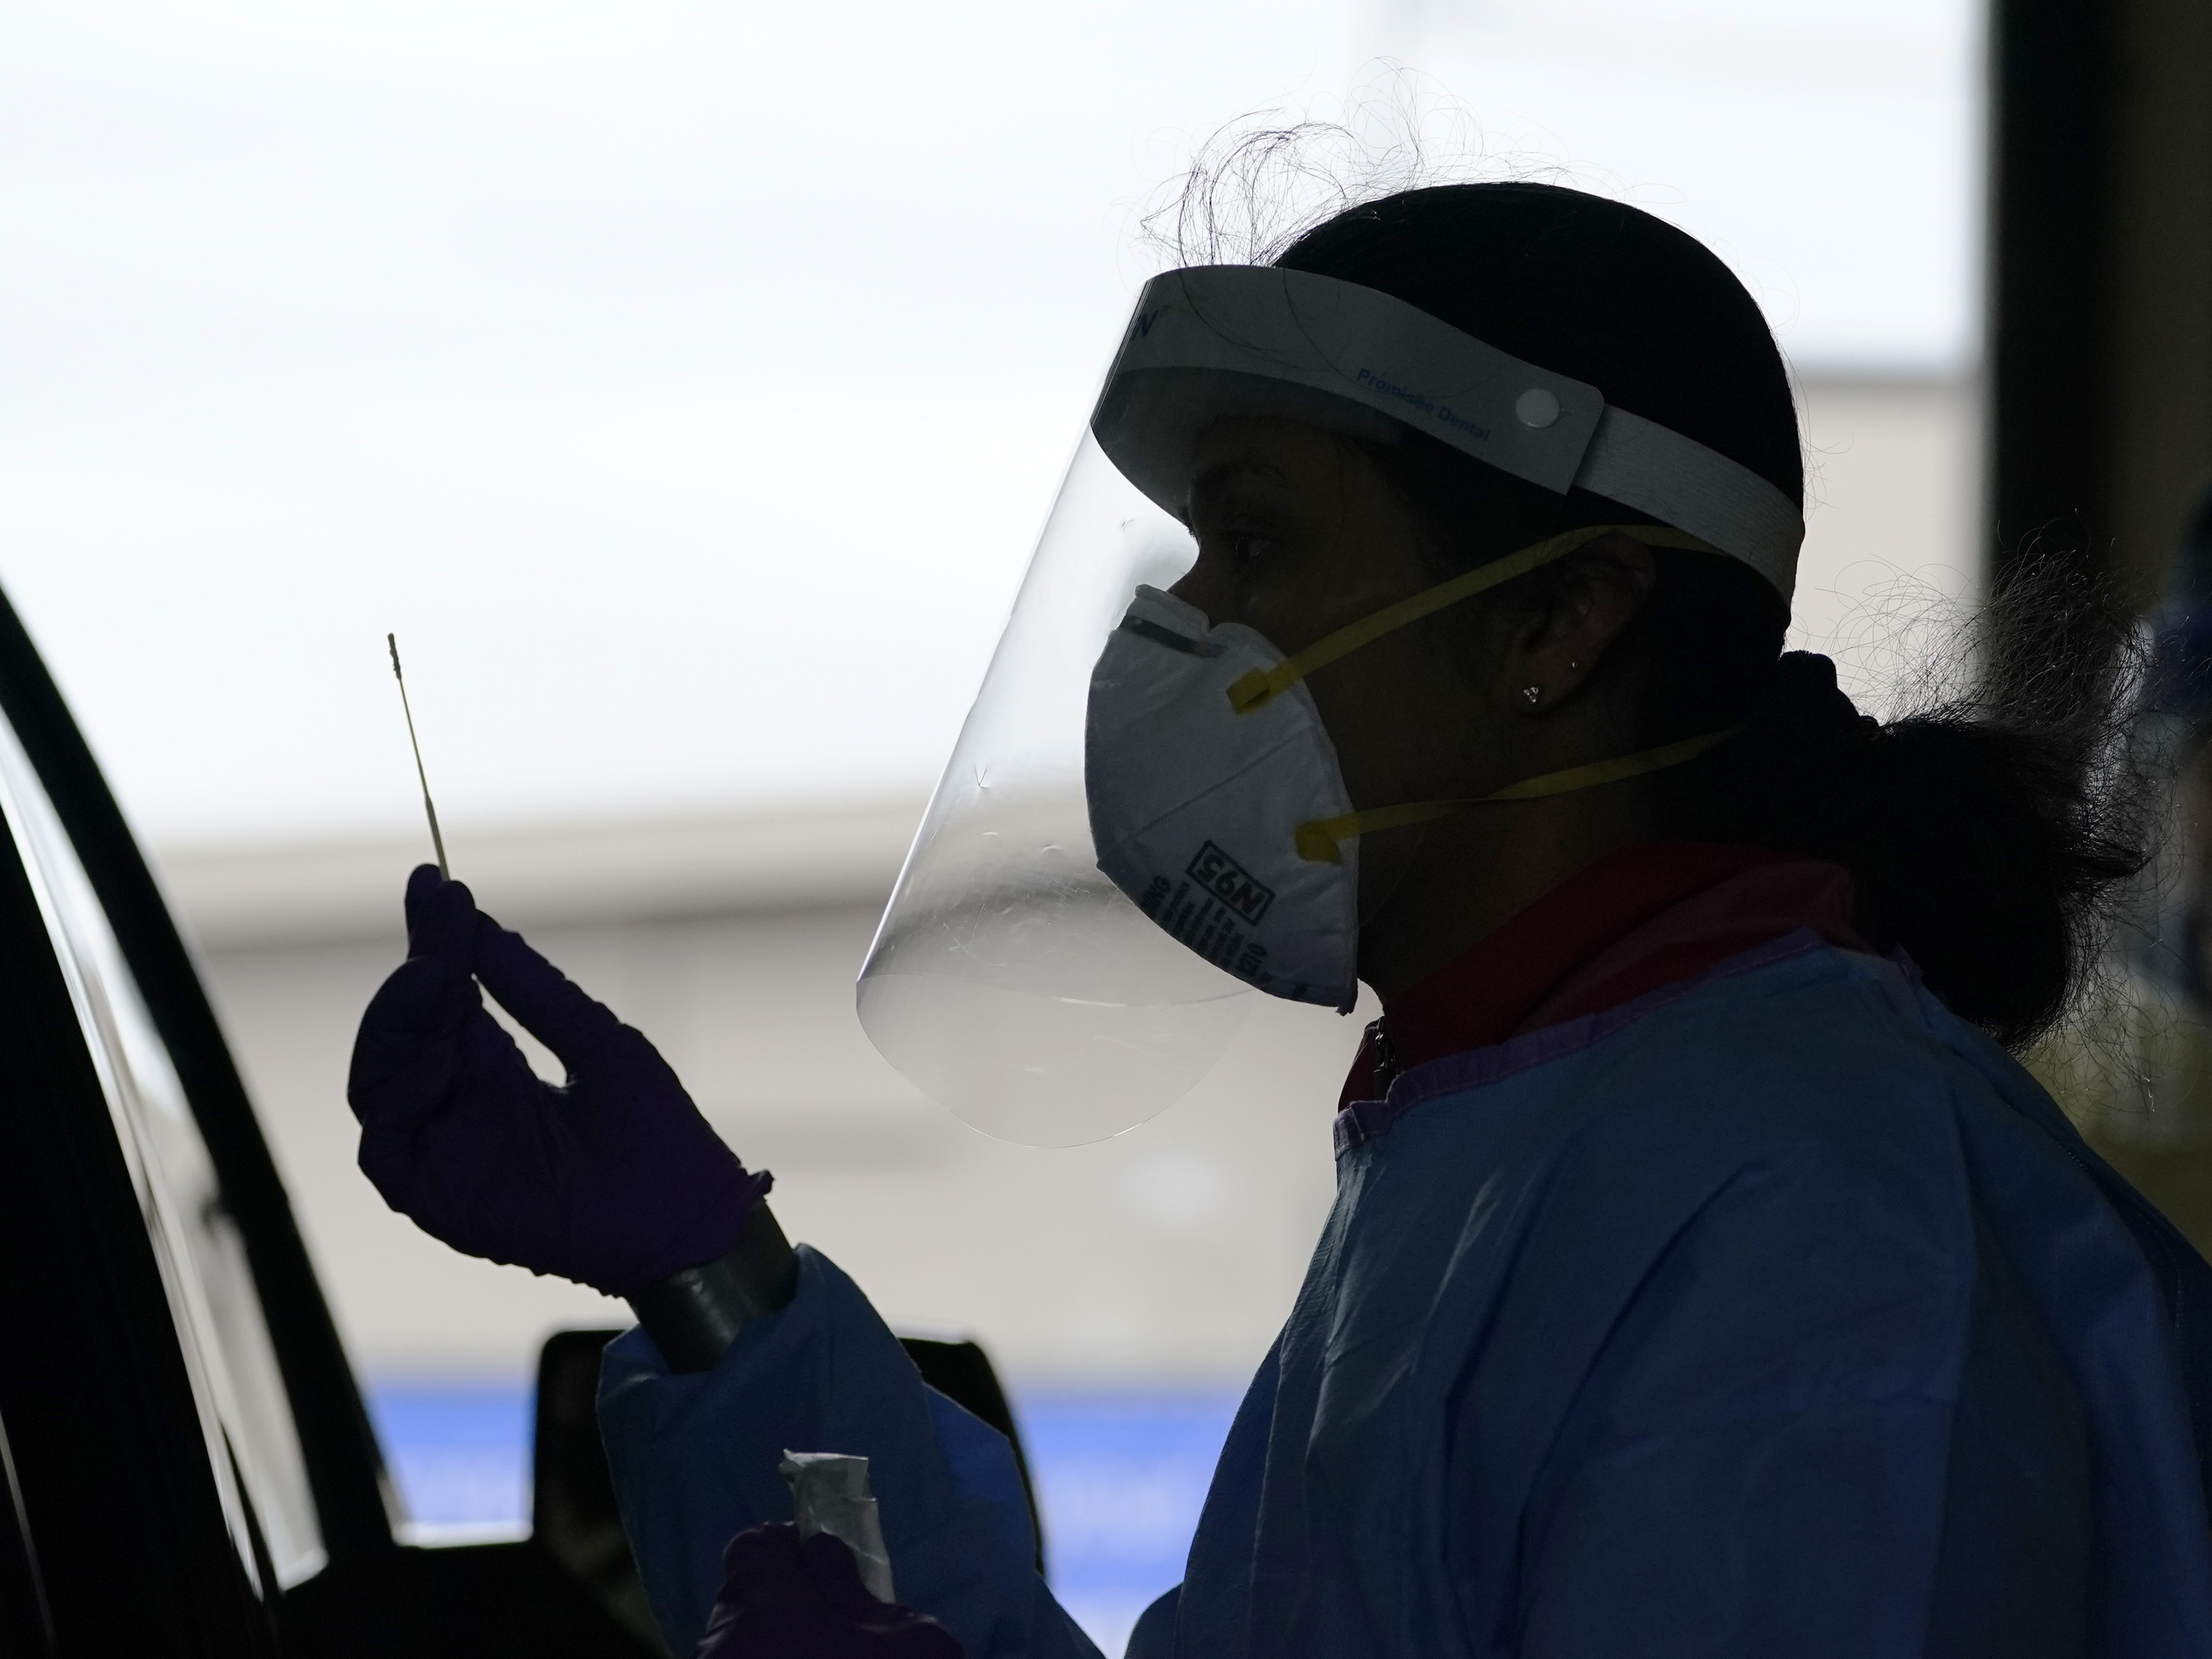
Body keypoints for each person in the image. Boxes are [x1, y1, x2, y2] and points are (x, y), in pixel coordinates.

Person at [348, 181, 2212, 1657]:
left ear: (1559, 628)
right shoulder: (1514, 1127)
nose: (1186, 628)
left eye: (1261, 542)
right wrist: (708, 1277)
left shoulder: (1813, 1215)